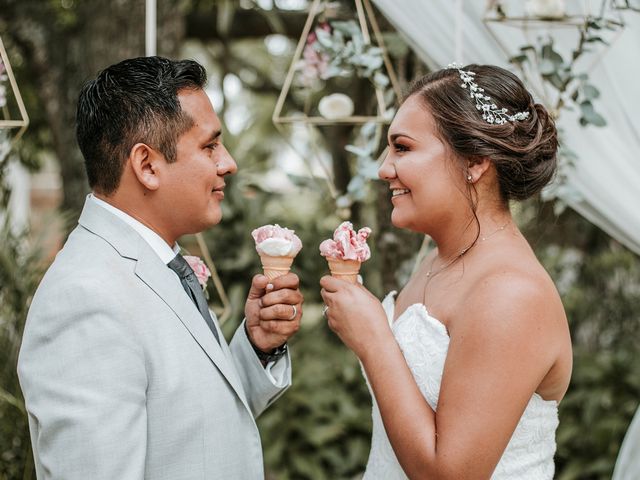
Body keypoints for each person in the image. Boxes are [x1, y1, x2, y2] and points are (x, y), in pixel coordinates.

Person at [18, 56, 303, 479]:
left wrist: (258, 348)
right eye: (210, 146)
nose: (228, 163)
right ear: (147, 166)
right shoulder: (86, 297)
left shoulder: (151, 262)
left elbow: (191, 428)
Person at [320, 64, 572, 479]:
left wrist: (374, 339)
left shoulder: (511, 293)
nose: (384, 169)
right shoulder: (436, 262)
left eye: (402, 147)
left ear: (474, 161)